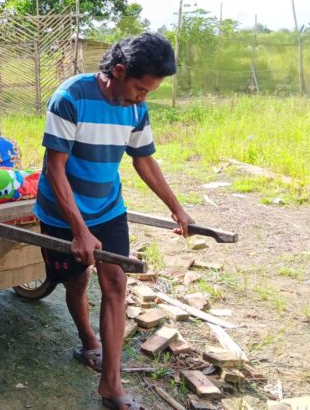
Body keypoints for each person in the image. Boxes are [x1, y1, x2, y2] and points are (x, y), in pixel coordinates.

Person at [34, 32, 194, 410]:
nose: (143, 97)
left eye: (149, 91)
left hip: (108, 208)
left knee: (116, 285)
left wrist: (177, 207)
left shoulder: (136, 108)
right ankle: (88, 340)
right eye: (140, 88)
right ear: (118, 71)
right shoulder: (70, 98)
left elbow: (143, 160)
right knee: (76, 281)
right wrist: (79, 230)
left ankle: (111, 384)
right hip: (62, 210)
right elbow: (54, 170)